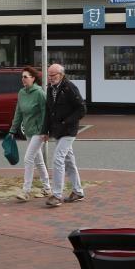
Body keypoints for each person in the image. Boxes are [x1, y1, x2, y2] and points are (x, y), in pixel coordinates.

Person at [44, 63, 86, 207]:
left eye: (53, 75)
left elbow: (82, 109)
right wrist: (46, 131)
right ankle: (78, 191)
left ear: (61, 75)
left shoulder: (69, 88)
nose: (50, 78)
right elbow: (48, 111)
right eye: (49, 75)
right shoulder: (50, 89)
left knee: (58, 159)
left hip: (69, 130)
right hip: (58, 131)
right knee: (69, 161)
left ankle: (56, 195)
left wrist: (66, 121)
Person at [9, 66, 52, 201]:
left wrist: (46, 131)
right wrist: (12, 129)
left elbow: (46, 113)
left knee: (28, 159)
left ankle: (25, 191)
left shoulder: (39, 93)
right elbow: (19, 112)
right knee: (38, 161)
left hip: (39, 131)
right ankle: (47, 188)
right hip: (28, 130)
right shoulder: (22, 93)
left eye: (26, 77)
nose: (23, 79)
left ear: (33, 78)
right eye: (22, 77)